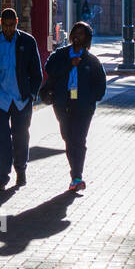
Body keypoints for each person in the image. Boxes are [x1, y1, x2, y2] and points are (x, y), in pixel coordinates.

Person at [0, 8, 44, 192]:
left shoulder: (28, 42)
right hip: (0, 100)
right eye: (5, 26)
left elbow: (36, 72)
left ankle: (21, 170)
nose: (8, 29)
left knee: (21, 137)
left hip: (21, 99)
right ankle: (2, 177)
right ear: (0, 23)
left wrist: (31, 94)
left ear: (16, 22)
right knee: (1, 140)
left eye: (11, 25)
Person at [41, 20, 106, 192]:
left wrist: (90, 99)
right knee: (68, 139)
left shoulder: (92, 60)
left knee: (79, 139)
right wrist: (70, 64)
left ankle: (77, 176)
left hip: (83, 107)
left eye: (81, 34)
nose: (77, 36)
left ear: (87, 38)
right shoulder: (60, 54)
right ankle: (75, 173)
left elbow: (100, 85)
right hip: (63, 104)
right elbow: (50, 69)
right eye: (75, 33)